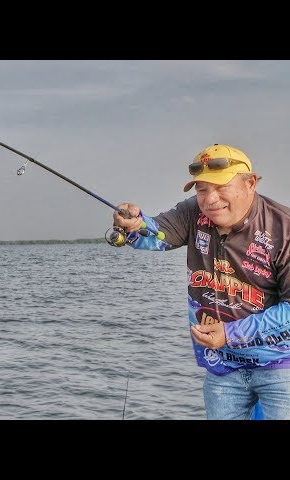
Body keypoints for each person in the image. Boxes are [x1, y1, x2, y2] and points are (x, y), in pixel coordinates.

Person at [112, 144, 290, 420]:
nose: (210, 199)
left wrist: (231, 333)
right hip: (221, 366)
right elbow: (157, 233)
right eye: (202, 189)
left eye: (220, 187)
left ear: (250, 183)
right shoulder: (193, 212)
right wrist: (134, 224)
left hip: (280, 366)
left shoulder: (284, 228)